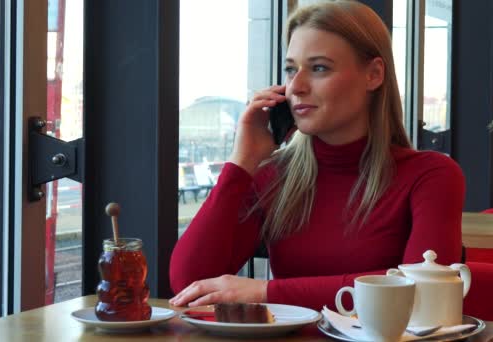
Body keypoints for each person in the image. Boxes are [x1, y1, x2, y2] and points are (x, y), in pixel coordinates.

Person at [169, 0, 464, 311]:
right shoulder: (273, 176)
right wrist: (242, 162)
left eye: (319, 68)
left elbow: (422, 293)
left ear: (374, 74)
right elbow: (189, 283)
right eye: (291, 69)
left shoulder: (430, 175)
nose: (296, 86)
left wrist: (266, 293)